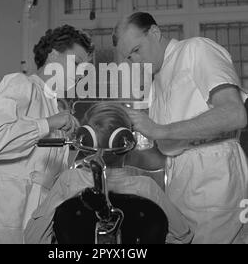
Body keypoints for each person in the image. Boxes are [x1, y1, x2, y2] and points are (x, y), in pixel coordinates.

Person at [112, 12, 248, 244]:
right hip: (179, 184)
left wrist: (159, 130)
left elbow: (234, 114)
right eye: (129, 57)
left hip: (216, 177)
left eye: (136, 50)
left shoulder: (196, 50)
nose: (135, 61)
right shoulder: (156, 83)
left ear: (155, 33)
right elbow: (167, 152)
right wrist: (120, 165)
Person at [0, 25, 94, 244]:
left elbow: (46, 167)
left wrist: (72, 147)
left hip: (37, 214)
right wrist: (49, 123)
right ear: (52, 54)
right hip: (6, 207)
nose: (80, 74)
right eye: (77, 63)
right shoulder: (20, 84)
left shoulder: (56, 107)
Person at [24, 102, 193, 244]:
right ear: (127, 142)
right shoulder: (147, 188)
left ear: (86, 140)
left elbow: (33, 239)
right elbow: (184, 236)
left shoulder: (68, 182)